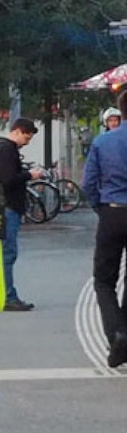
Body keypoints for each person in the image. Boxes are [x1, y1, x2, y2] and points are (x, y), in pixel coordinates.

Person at [83, 91, 127, 367]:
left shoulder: (103, 141)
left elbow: (89, 182)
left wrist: (100, 207)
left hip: (113, 211)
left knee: (104, 280)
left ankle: (117, 333)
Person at [0, 117, 43, 311]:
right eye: (27, 138)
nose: (27, 143)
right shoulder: (7, 151)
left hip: (3, 205)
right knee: (7, 253)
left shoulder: (1, 149)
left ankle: (4, 294)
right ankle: (8, 296)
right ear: (19, 131)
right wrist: (30, 175)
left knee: (4, 253)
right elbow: (8, 179)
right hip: (8, 206)